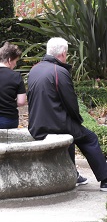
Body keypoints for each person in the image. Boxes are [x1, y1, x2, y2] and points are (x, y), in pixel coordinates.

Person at [27, 37, 107, 191]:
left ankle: (74, 175)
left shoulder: (34, 69)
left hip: (36, 125)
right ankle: (105, 179)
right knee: (90, 138)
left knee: (71, 137)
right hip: (56, 125)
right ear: (63, 54)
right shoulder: (60, 71)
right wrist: (78, 120)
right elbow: (71, 103)